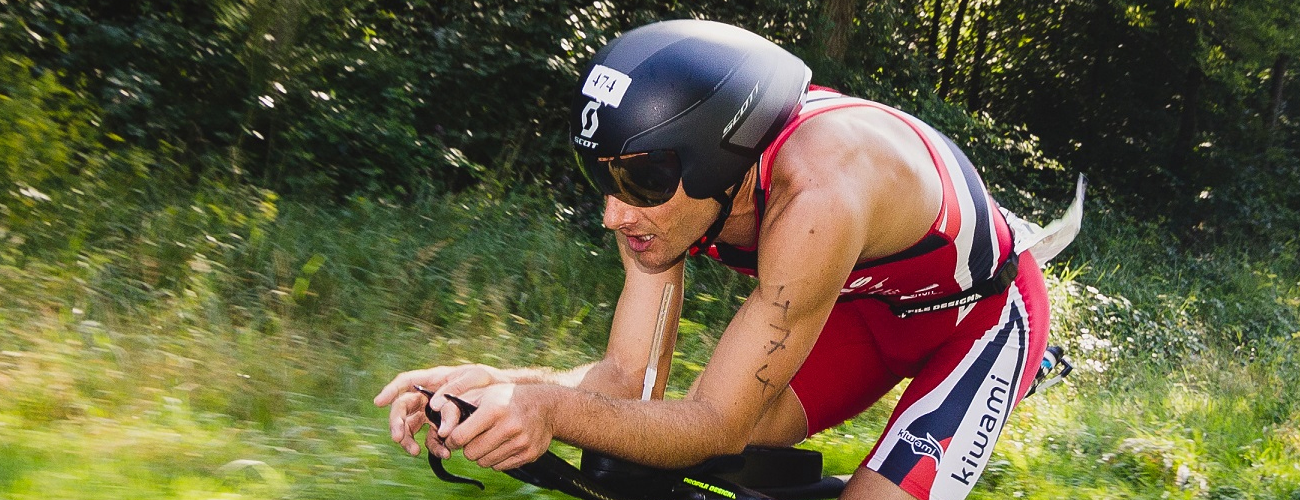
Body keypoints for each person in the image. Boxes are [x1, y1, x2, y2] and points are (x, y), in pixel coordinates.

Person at [374, 19, 1081, 500]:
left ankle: (1011, 380)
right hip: (859, 307)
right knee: (687, 446)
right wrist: (497, 387)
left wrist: (546, 410)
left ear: (722, 161)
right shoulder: (667, 191)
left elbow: (716, 420)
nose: (614, 213)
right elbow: (630, 379)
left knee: (719, 433)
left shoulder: (819, 196)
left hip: (977, 320)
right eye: (602, 178)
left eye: (640, 182)